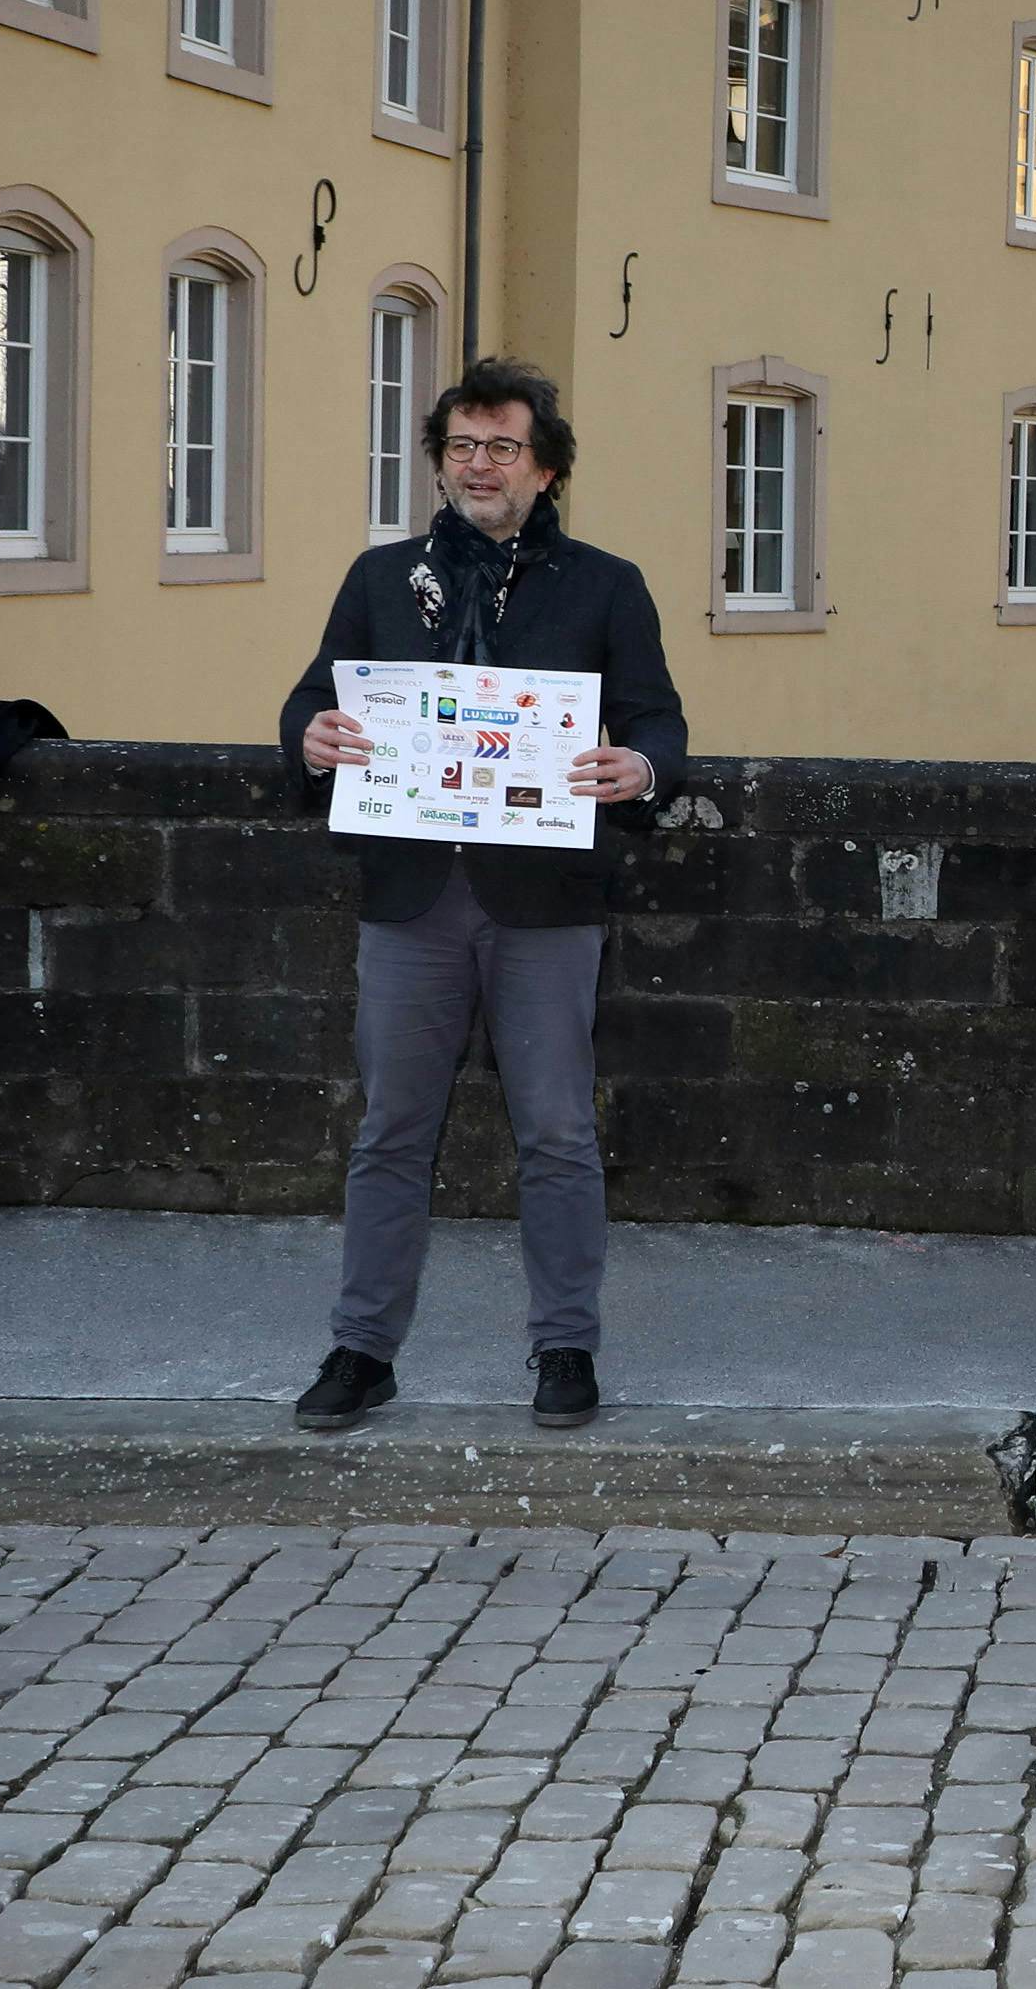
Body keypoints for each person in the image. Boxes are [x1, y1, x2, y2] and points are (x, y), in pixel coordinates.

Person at [279, 357, 686, 1435]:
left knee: (556, 1133)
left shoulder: (605, 585)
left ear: (545, 468)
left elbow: (658, 723)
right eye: (461, 445)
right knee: (389, 1133)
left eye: (503, 446)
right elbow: (315, 698)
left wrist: (639, 771)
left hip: (545, 897)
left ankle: (564, 1348)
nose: (480, 465)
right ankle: (363, 1351)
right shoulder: (380, 580)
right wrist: (311, 740)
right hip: (410, 893)